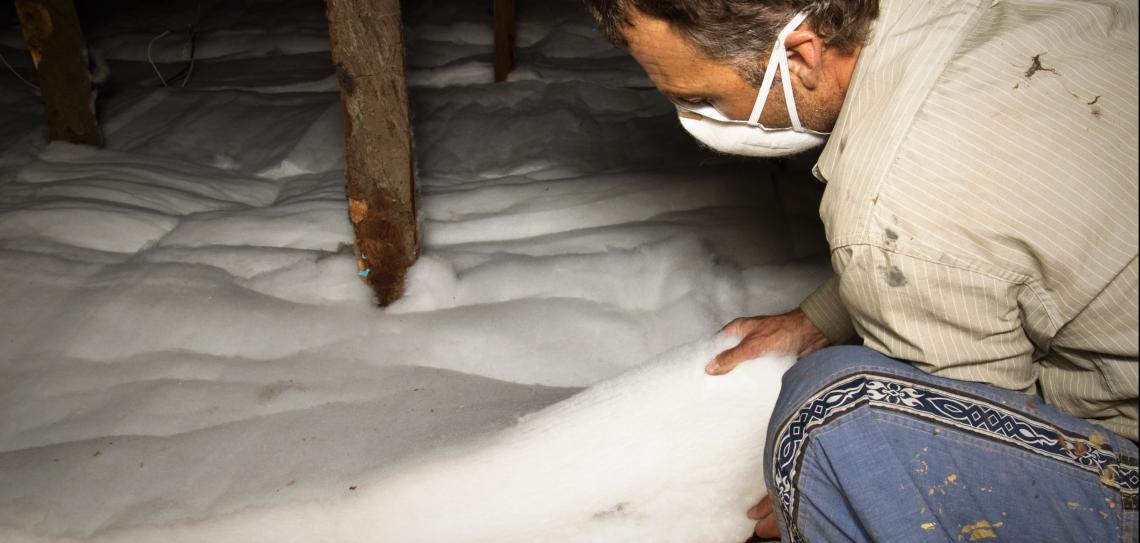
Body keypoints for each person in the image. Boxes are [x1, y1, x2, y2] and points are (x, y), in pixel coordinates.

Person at [583, 0, 1139, 540]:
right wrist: (818, 317)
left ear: (799, 54)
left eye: (704, 97)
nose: (700, 120)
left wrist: (835, 492)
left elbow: (966, 459)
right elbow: (991, 241)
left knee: (833, 415)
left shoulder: (895, 210)